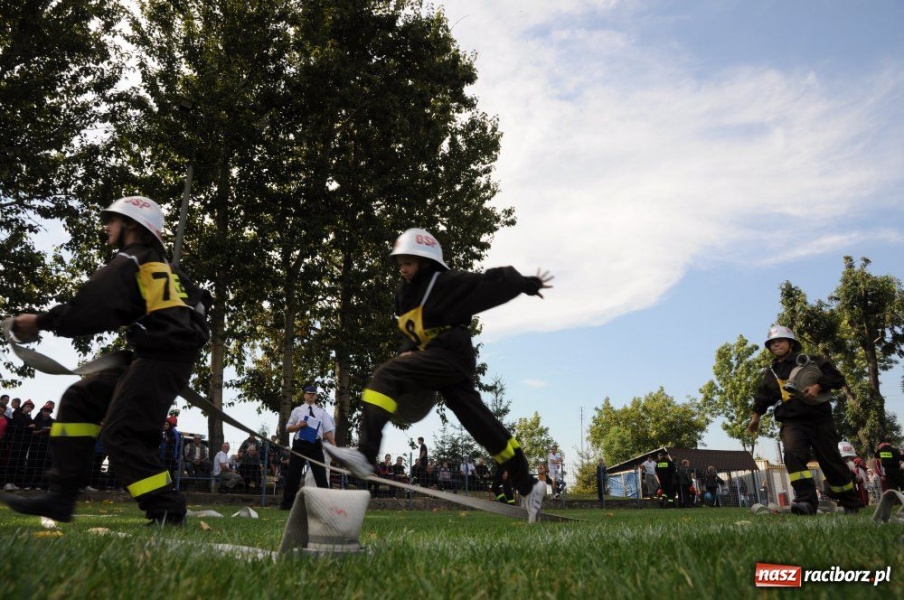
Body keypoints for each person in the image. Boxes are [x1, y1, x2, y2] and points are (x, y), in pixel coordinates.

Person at [3, 196, 210, 525]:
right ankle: (61, 496)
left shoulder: (132, 259)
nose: (107, 227)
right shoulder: (168, 271)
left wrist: (40, 321)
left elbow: (92, 309)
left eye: (112, 220)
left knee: (122, 433)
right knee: (80, 399)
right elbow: (197, 309)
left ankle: (166, 509)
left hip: (159, 358)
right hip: (159, 357)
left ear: (132, 225)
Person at [324, 228, 553, 522]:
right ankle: (530, 486)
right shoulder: (403, 293)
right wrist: (408, 350)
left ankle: (366, 455)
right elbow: (410, 330)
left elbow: (490, 282)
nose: (402, 269)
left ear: (426, 261)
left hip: (452, 354)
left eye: (408, 262)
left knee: (385, 375)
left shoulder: (446, 283)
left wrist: (525, 284)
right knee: (482, 425)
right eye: (399, 263)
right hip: (434, 359)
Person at [747, 325, 862, 515]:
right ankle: (806, 501)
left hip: (820, 419)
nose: (776, 345)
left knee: (831, 460)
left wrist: (818, 386)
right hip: (793, 421)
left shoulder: (811, 361)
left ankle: (850, 502)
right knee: (793, 455)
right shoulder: (772, 372)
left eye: (780, 341)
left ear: (791, 343)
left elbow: (837, 378)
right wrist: (755, 418)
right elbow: (763, 397)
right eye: (772, 343)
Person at [280, 385, 337, 509]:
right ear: (304, 395)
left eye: (313, 394)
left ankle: (327, 506)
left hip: (315, 445)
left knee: (321, 475)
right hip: (300, 444)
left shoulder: (322, 412)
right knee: (293, 475)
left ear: (316, 396)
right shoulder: (297, 411)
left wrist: (335, 449)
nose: (311, 396)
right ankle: (286, 505)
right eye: (308, 393)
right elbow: (288, 428)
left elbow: (328, 432)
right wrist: (299, 426)